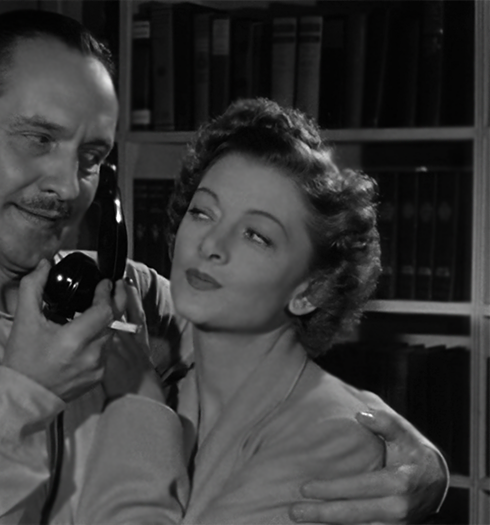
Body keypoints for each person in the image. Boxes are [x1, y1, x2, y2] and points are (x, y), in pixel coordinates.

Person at [0, 10, 446, 525]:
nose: (65, 186)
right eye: (38, 139)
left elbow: (264, 355)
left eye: (91, 157)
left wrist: (419, 463)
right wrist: (25, 392)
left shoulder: (123, 294)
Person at [76, 98, 449, 525]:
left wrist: (136, 402)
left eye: (256, 235)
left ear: (309, 290)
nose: (211, 244)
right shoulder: (167, 373)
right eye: (202, 212)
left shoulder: (333, 440)